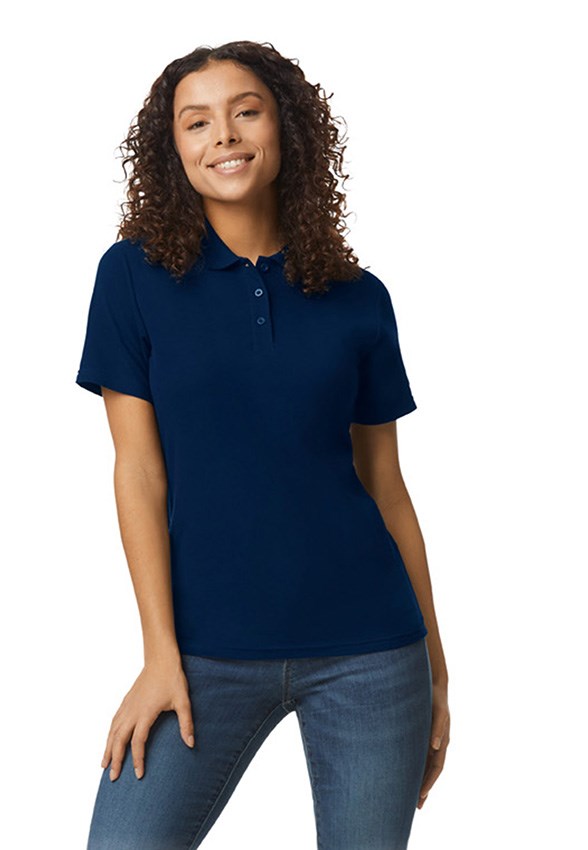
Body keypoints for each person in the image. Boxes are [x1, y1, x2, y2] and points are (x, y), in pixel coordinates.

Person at [76, 40, 450, 850]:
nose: (224, 135)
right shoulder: (133, 278)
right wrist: (159, 654)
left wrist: (438, 672)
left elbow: (386, 488)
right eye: (196, 122)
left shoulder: (358, 298)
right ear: (173, 149)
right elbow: (138, 472)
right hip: (202, 653)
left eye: (246, 112)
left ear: (286, 128)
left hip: (373, 652)